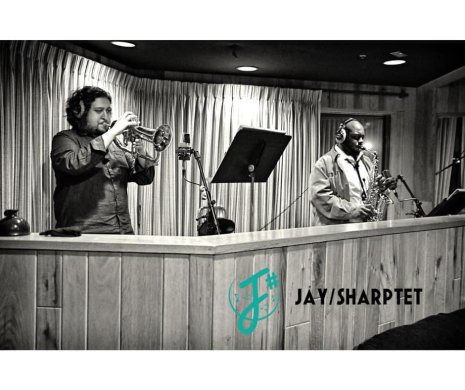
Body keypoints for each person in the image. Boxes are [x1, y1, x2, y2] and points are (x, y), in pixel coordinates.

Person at [51, 86, 156, 234]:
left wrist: (140, 150)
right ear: (80, 112)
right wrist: (113, 132)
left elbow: (144, 178)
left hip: (123, 231)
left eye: (108, 111)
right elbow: (74, 164)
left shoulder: (115, 144)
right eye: (99, 111)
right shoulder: (65, 139)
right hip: (85, 233)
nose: (105, 116)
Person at [310, 118, 396, 226]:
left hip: (364, 227)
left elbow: (371, 194)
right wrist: (354, 210)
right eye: (355, 137)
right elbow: (321, 198)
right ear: (341, 137)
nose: (360, 141)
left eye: (362, 137)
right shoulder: (324, 163)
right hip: (335, 232)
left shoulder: (367, 162)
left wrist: (381, 188)